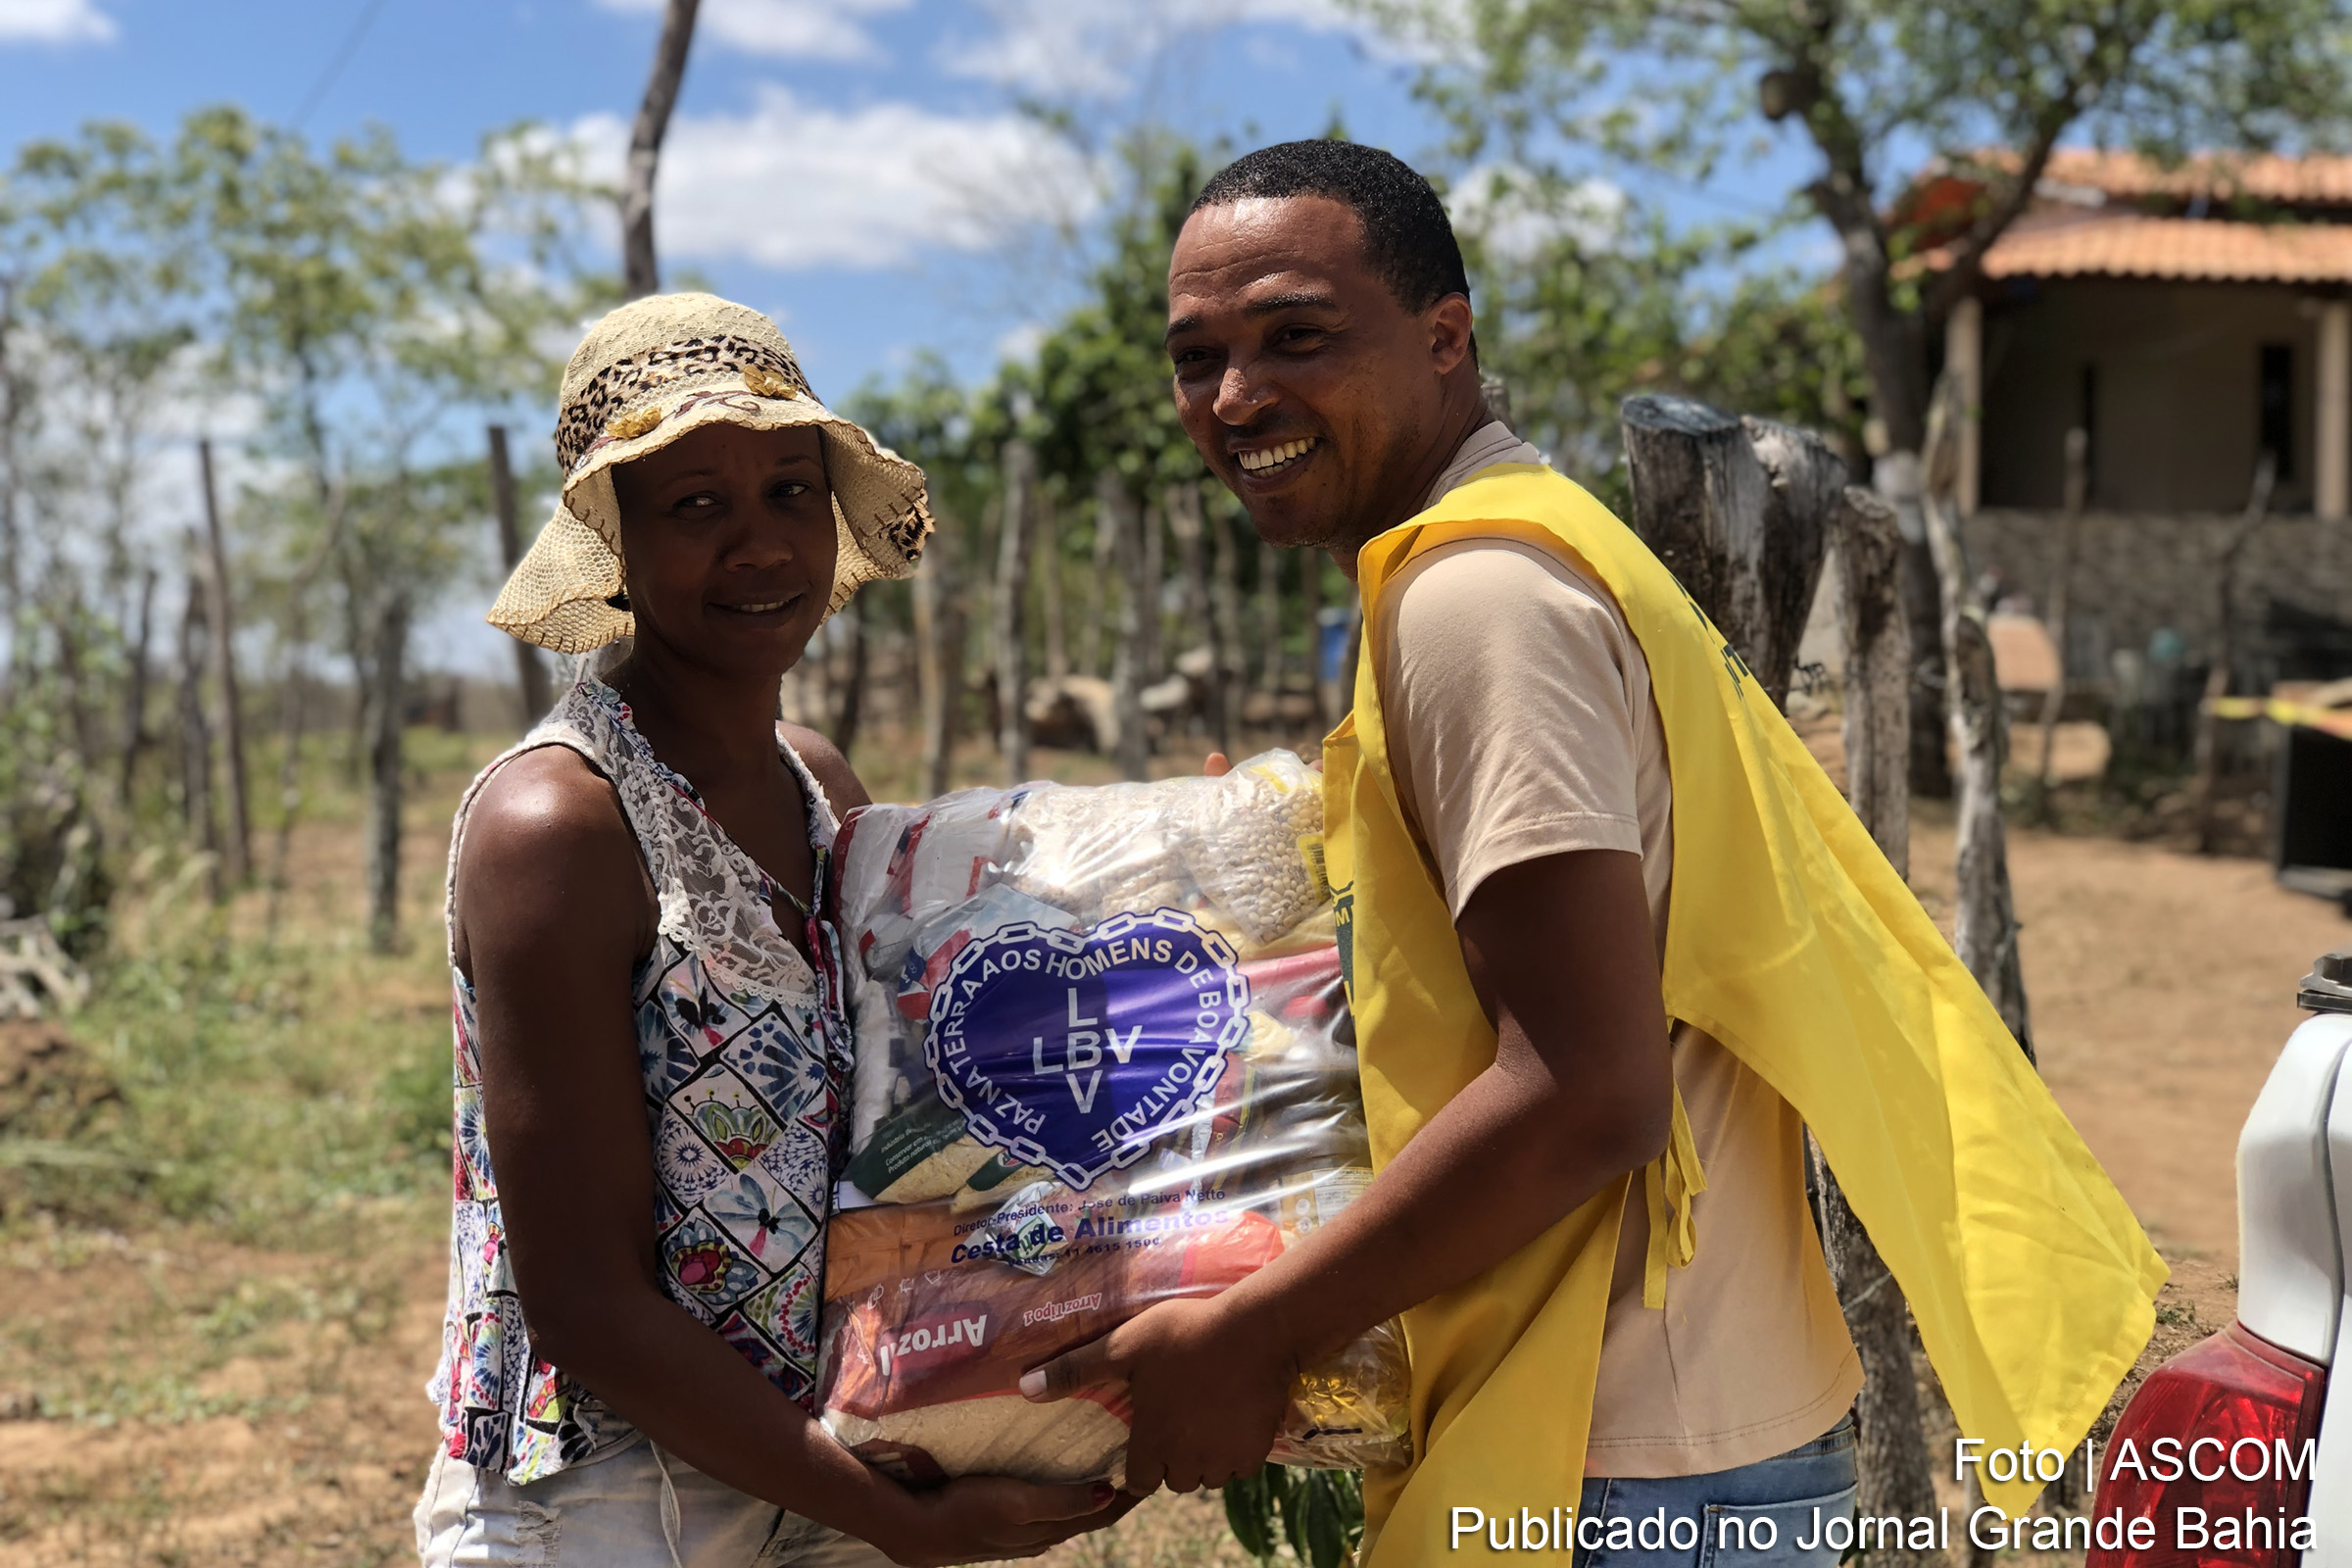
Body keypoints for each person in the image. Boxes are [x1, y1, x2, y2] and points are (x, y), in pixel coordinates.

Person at [1021, 142, 2163, 1565]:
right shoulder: (1539, 551)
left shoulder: (1477, 600)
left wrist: (1252, 1335)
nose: (1239, 396)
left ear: (1447, 338)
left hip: (1623, 1475)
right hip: (1670, 1444)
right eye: (1201, 357)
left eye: (1297, 335)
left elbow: (1586, 1088)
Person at [417, 293, 1132, 1567]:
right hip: (612, 1498)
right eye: (696, 506)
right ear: (616, 544)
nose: (760, 547)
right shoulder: (561, 825)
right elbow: (585, 1301)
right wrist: (898, 1520)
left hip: (831, 1450)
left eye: (790, 493)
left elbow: (925, 1098)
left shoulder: (815, 788)